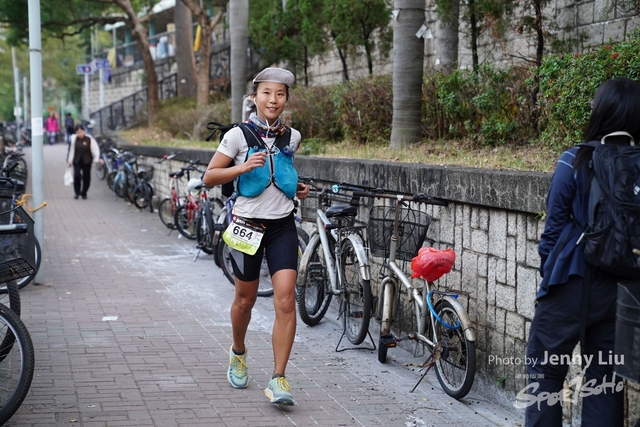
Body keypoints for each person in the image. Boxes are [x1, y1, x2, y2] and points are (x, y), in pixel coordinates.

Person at [524, 77, 638, 427]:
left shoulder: (575, 159)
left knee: (545, 371)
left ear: (602, 111)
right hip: (625, 290)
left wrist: (549, 278)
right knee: (605, 381)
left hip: (571, 282)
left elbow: (554, 231)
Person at [202, 67, 309, 406]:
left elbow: (283, 171)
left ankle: (278, 379)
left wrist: (298, 188)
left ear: (286, 99)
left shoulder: (292, 137)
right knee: (245, 301)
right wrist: (242, 168)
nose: (272, 100)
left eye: (279, 94)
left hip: (282, 226)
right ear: (254, 97)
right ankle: (238, 351)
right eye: (266, 93)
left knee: (286, 301)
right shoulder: (237, 135)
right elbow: (210, 176)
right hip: (249, 226)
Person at [67, 125, 101, 200]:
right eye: (78, 132)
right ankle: (77, 192)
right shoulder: (74, 140)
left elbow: (95, 149)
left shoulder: (89, 139)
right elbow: (70, 150)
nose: (80, 134)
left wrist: (98, 158)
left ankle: (84, 192)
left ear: (84, 131)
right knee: (76, 175)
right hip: (77, 160)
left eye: (81, 132)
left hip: (87, 161)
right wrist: (69, 161)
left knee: (86, 177)